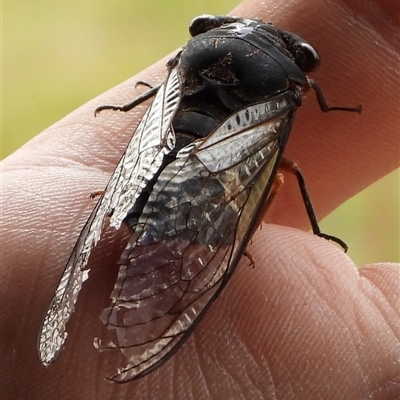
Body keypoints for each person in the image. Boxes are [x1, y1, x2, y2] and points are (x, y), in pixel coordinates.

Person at [1, 0, 399, 398]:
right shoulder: (288, 87)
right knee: (284, 174)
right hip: (203, 208)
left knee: (169, 138)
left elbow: (158, 101)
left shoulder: (192, 60)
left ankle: (134, 203)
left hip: (164, 164)